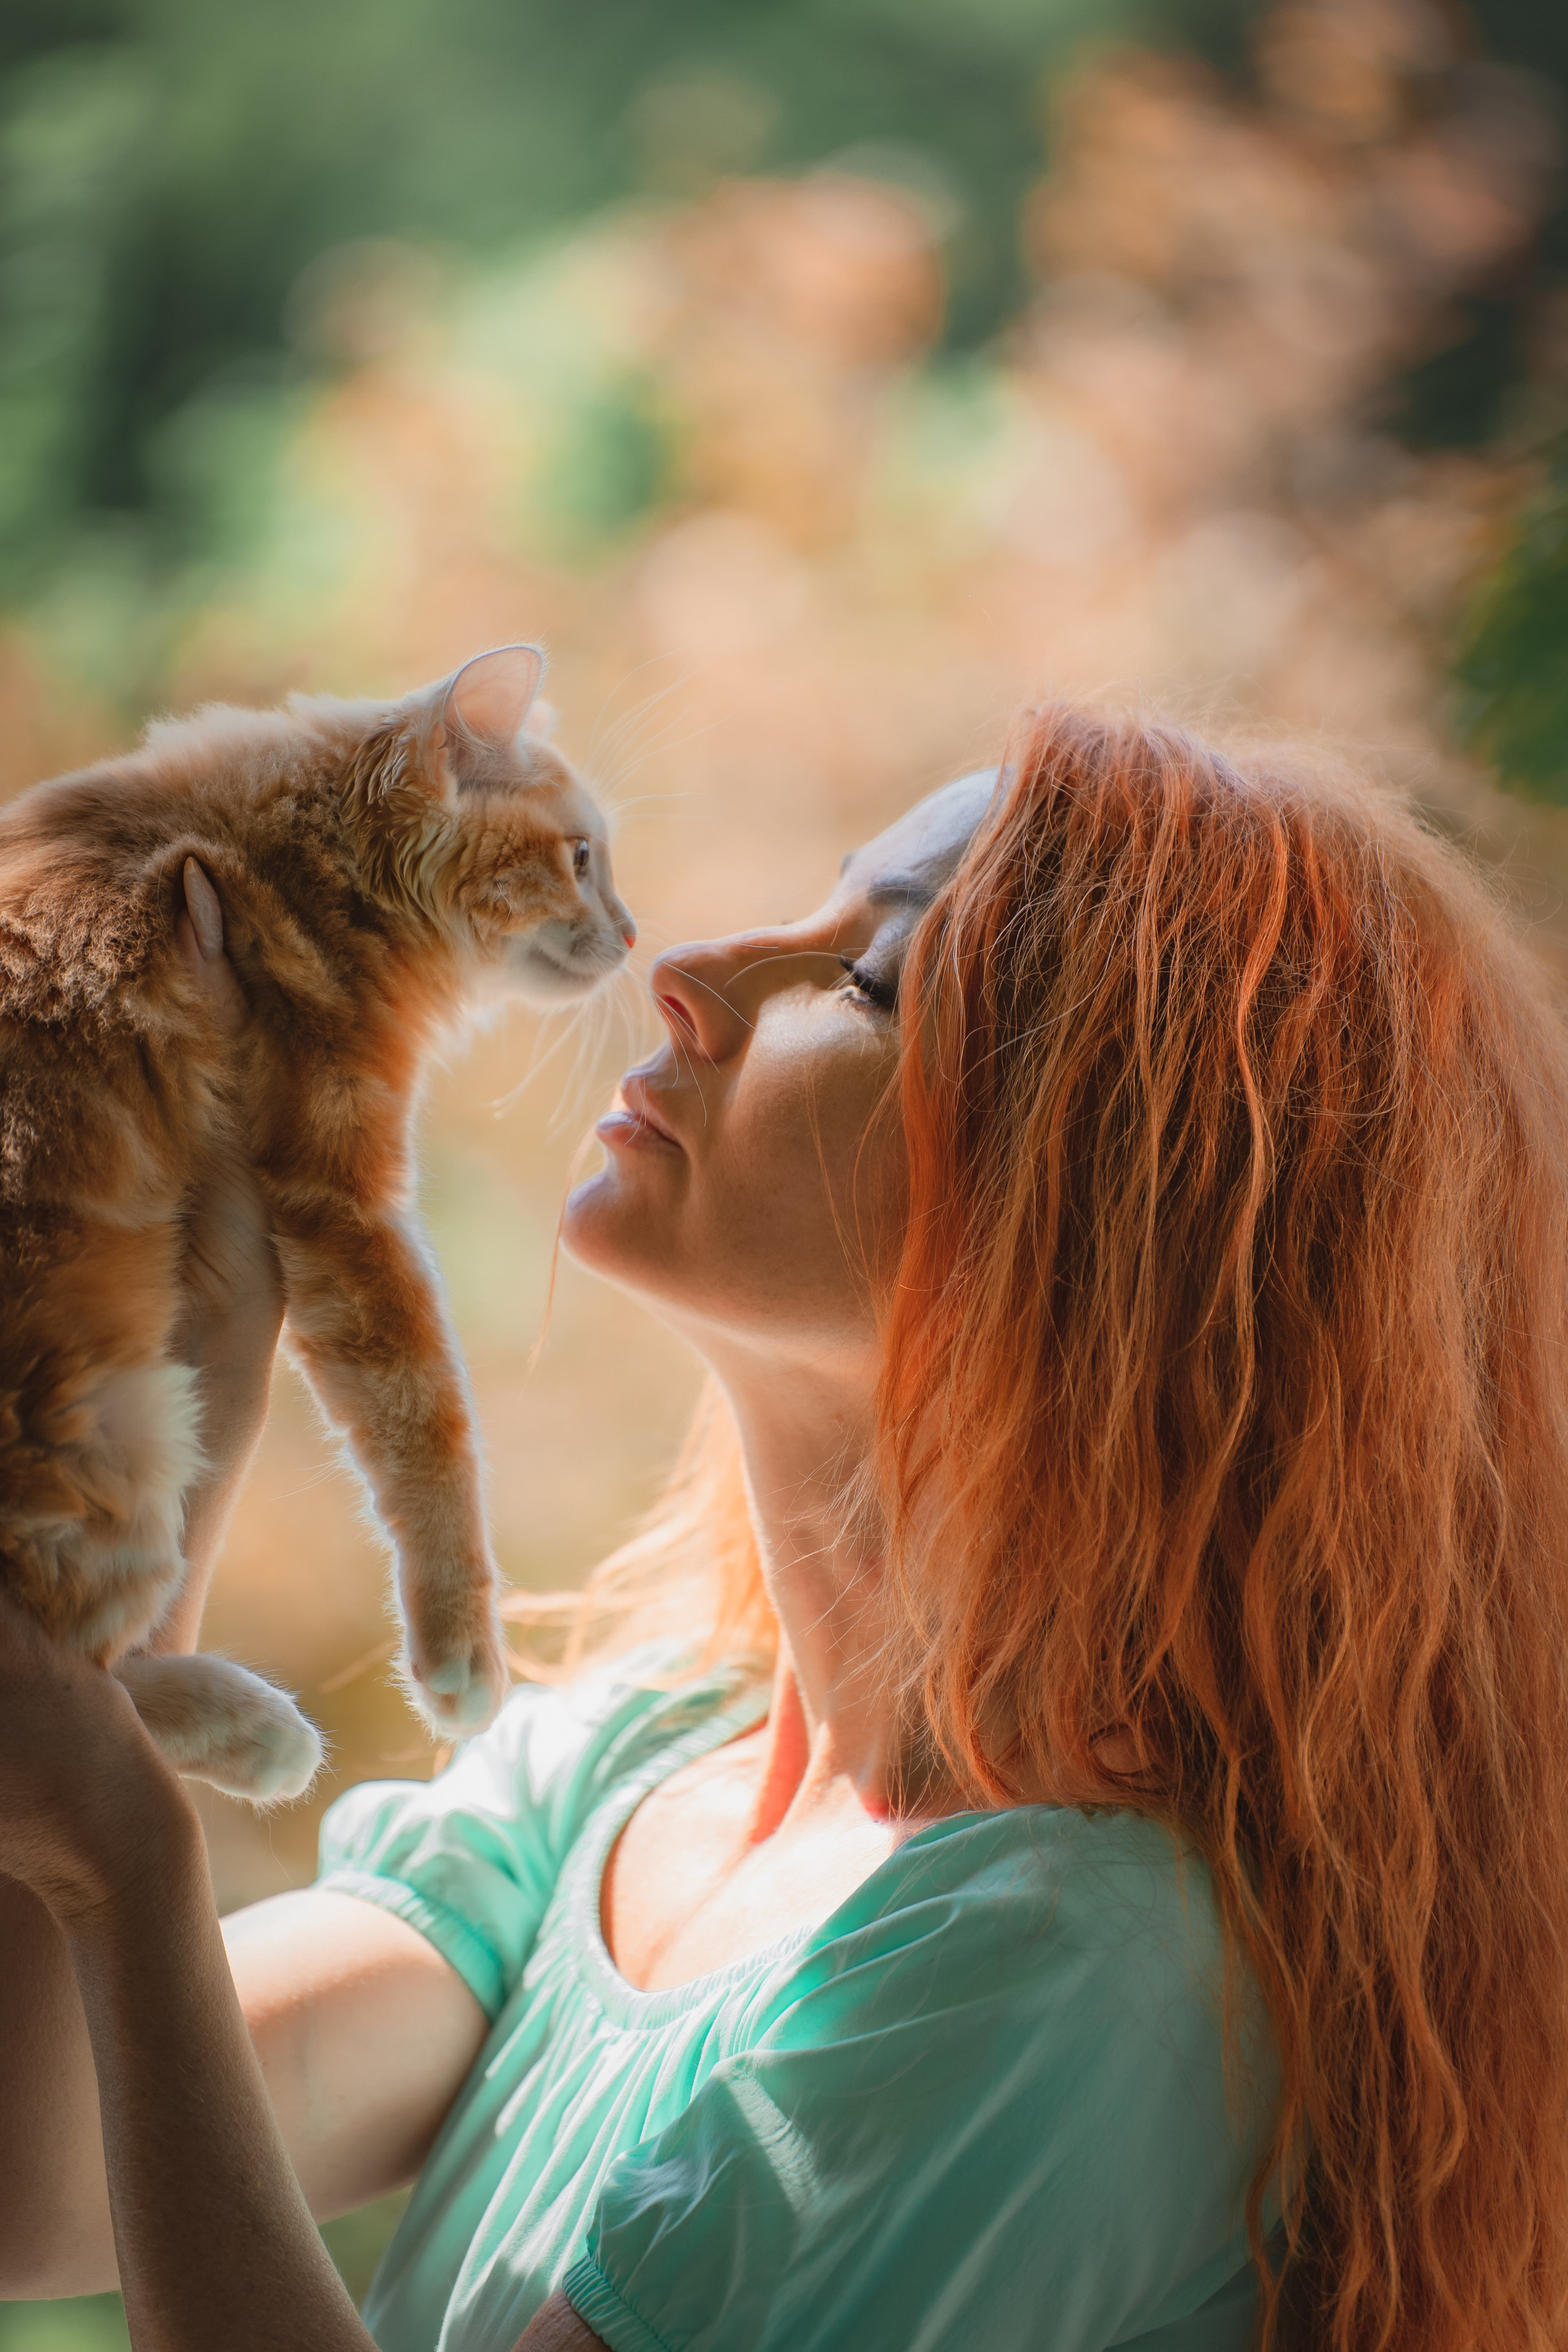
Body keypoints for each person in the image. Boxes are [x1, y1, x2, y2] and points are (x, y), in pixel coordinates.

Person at [2, 703, 1567, 2352]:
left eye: (870, 979)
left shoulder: (1062, 1967)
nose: (688, 967)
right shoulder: (628, 1770)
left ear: (1091, 1231)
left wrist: (130, 1869)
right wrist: (183, 1362)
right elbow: (44, 2179)